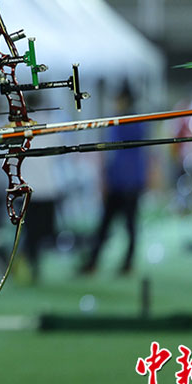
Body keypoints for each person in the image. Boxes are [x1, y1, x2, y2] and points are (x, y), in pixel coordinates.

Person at [80, 82, 149, 275]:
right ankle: (94, 261)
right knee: (107, 225)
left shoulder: (132, 122)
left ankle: (125, 262)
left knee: (128, 225)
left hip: (129, 182)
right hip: (117, 181)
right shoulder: (120, 121)